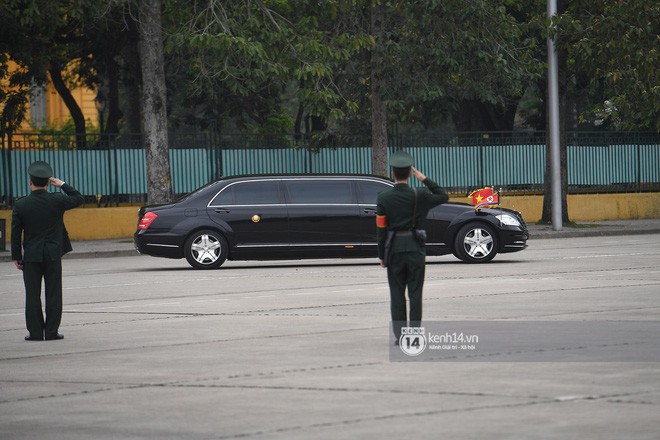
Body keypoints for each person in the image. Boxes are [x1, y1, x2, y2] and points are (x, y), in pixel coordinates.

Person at [376, 151, 448, 345]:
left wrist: (382, 254)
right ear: (410, 174)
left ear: (393, 173)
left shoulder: (384, 198)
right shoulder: (421, 194)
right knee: (416, 293)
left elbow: (381, 230)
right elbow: (443, 196)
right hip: (416, 249)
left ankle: (401, 337)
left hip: (395, 250)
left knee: (397, 294)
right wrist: (424, 178)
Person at [11, 161, 84, 341]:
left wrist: (17, 257)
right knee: (53, 294)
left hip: (32, 256)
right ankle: (51, 332)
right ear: (47, 183)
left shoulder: (21, 205)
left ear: (30, 183)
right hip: (52, 254)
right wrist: (62, 184)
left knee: (32, 295)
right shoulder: (57, 199)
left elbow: (15, 234)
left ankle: (35, 333)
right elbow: (79, 198)